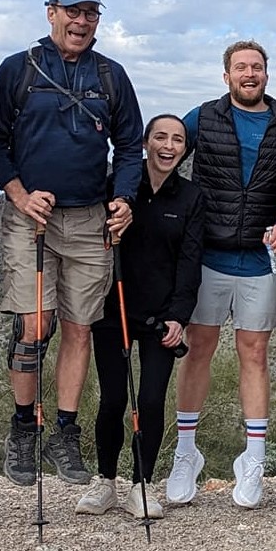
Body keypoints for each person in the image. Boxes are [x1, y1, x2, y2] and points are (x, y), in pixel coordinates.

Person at [0, 0, 143, 490]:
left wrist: (122, 199)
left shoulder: (112, 75)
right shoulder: (17, 70)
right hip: (30, 215)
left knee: (78, 328)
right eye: (72, 11)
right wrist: (18, 193)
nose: (81, 21)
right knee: (35, 325)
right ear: (50, 11)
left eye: (91, 13)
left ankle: (64, 431)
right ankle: (22, 425)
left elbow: (129, 146)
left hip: (88, 217)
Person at [166, 41, 276, 510]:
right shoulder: (203, 118)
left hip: (261, 260)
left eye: (257, 67)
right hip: (205, 256)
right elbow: (166, 152)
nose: (250, 74)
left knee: (255, 353)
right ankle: (186, 453)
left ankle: (254, 459)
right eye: (241, 67)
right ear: (226, 75)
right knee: (199, 347)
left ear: (267, 74)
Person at [76, 115, 203, 519]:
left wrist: (179, 316)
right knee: (113, 399)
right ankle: (106, 482)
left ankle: (143, 485)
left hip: (161, 319)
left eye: (178, 139)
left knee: (150, 400)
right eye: (161, 137)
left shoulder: (191, 197)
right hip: (112, 311)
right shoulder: (117, 188)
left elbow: (190, 262)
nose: (169, 146)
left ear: (185, 148)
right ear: (146, 143)